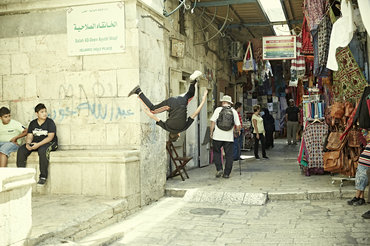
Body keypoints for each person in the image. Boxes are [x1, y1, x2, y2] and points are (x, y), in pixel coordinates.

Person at [128, 70, 205, 142]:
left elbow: (195, 114)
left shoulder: (184, 128)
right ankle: (138, 91)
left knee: (190, 95)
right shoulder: (167, 128)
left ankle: (192, 82)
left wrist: (203, 100)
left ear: (178, 134)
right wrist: (143, 107)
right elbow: (152, 116)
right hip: (171, 103)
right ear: (170, 134)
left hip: (182, 101)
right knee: (153, 109)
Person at [17, 103, 58, 185]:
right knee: (21, 150)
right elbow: (29, 136)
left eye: (45, 111)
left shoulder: (50, 122)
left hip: (50, 143)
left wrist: (38, 145)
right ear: (37, 113)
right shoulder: (33, 123)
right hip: (36, 143)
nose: (45, 113)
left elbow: (50, 137)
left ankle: (43, 176)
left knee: (42, 150)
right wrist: (28, 144)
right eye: (42, 112)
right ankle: (21, 175)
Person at [210, 95, 241, 178]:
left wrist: (211, 132)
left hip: (217, 136)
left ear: (223, 102)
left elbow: (212, 122)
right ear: (230, 103)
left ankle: (219, 169)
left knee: (217, 152)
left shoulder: (218, 110)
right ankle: (227, 173)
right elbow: (238, 125)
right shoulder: (234, 111)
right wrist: (238, 131)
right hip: (228, 137)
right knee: (229, 155)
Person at [347, 129, 370, 207]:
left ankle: (356, 197)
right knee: (359, 179)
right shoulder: (368, 142)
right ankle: (361, 198)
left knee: (362, 180)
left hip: (367, 165)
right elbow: (363, 134)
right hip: (362, 164)